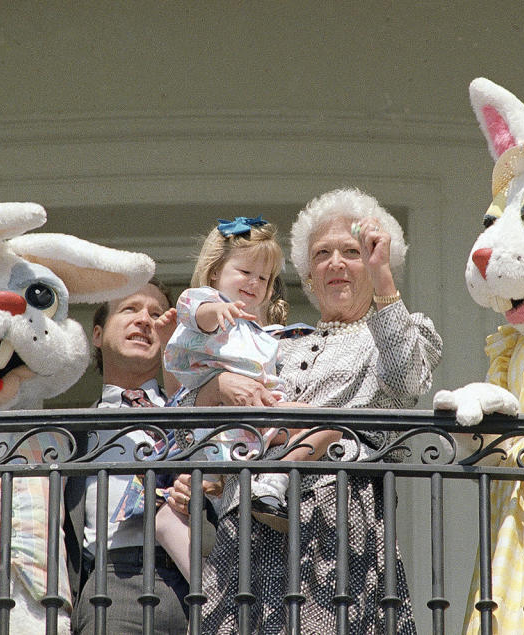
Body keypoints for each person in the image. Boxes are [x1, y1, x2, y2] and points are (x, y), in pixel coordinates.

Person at [171, 188, 444, 633]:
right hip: (245, 533)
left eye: (352, 252)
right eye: (322, 254)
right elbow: (186, 432)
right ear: (309, 276)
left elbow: (407, 381)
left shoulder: (403, 330)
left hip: (335, 529)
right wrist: (220, 386)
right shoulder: (271, 342)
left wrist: (384, 280)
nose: (335, 263)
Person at [161, 216, 312, 550]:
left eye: (264, 277)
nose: (254, 282)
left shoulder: (256, 330)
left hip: (253, 420)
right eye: (245, 272)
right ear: (216, 271)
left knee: (318, 421)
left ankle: (271, 483)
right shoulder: (208, 305)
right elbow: (191, 308)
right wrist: (216, 311)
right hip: (222, 425)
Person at [63, 280, 193, 635]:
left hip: (200, 579)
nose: (145, 321)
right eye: (130, 309)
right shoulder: (70, 434)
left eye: (156, 314)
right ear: (97, 334)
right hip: (114, 587)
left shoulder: (197, 415)